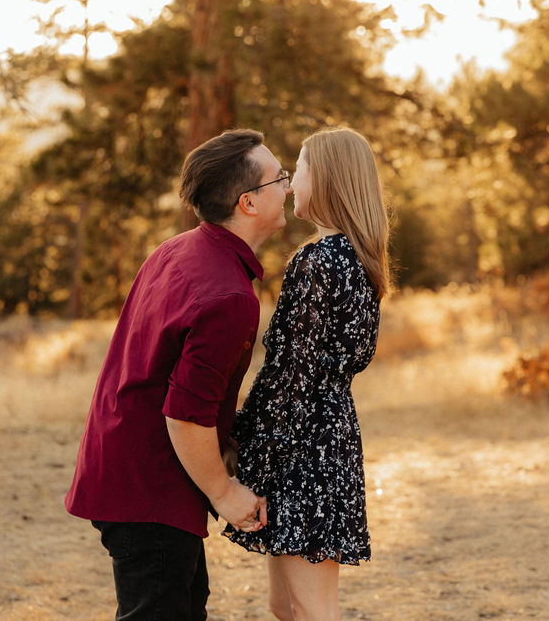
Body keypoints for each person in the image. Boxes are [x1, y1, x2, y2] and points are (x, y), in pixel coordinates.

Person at [64, 128, 292, 620]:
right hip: (149, 488)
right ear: (248, 202)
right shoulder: (228, 297)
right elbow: (185, 414)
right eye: (280, 178)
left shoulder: (179, 249)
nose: (289, 188)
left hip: (130, 473)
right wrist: (224, 493)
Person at [224, 127, 391, 621]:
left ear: (329, 179)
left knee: (313, 609)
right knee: (286, 606)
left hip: (302, 447)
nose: (292, 184)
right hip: (330, 434)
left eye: (298, 170)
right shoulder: (357, 261)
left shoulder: (318, 263)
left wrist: (251, 449)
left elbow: (290, 376)